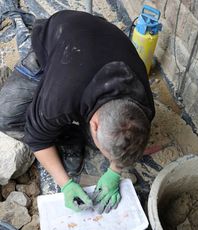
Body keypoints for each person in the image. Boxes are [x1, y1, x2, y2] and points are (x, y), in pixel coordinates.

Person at [0, 10, 155, 213]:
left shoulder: (144, 107)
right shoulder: (59, 97)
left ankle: (81, 136)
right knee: (5, 116)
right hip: (59, 40)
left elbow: (128, 139)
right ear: (94, 123)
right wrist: (66, 184)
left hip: (99, 38)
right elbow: (37, 138)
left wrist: (115, 171)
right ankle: (69, 137)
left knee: (109, 143)